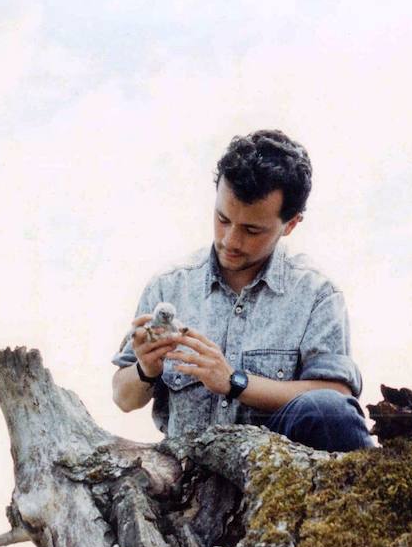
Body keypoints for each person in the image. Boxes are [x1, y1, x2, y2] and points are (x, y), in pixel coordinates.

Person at [110, 129, 373, 452]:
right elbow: (123, 397)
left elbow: (336, 396)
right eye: (223, 219)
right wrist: (146, 369)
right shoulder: (169, 286)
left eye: (252, 230)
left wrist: (235, 382)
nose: (230, 241)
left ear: (290, 224)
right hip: (186, 477)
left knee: (328, 411)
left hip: (280, 475)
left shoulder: (317, 294)